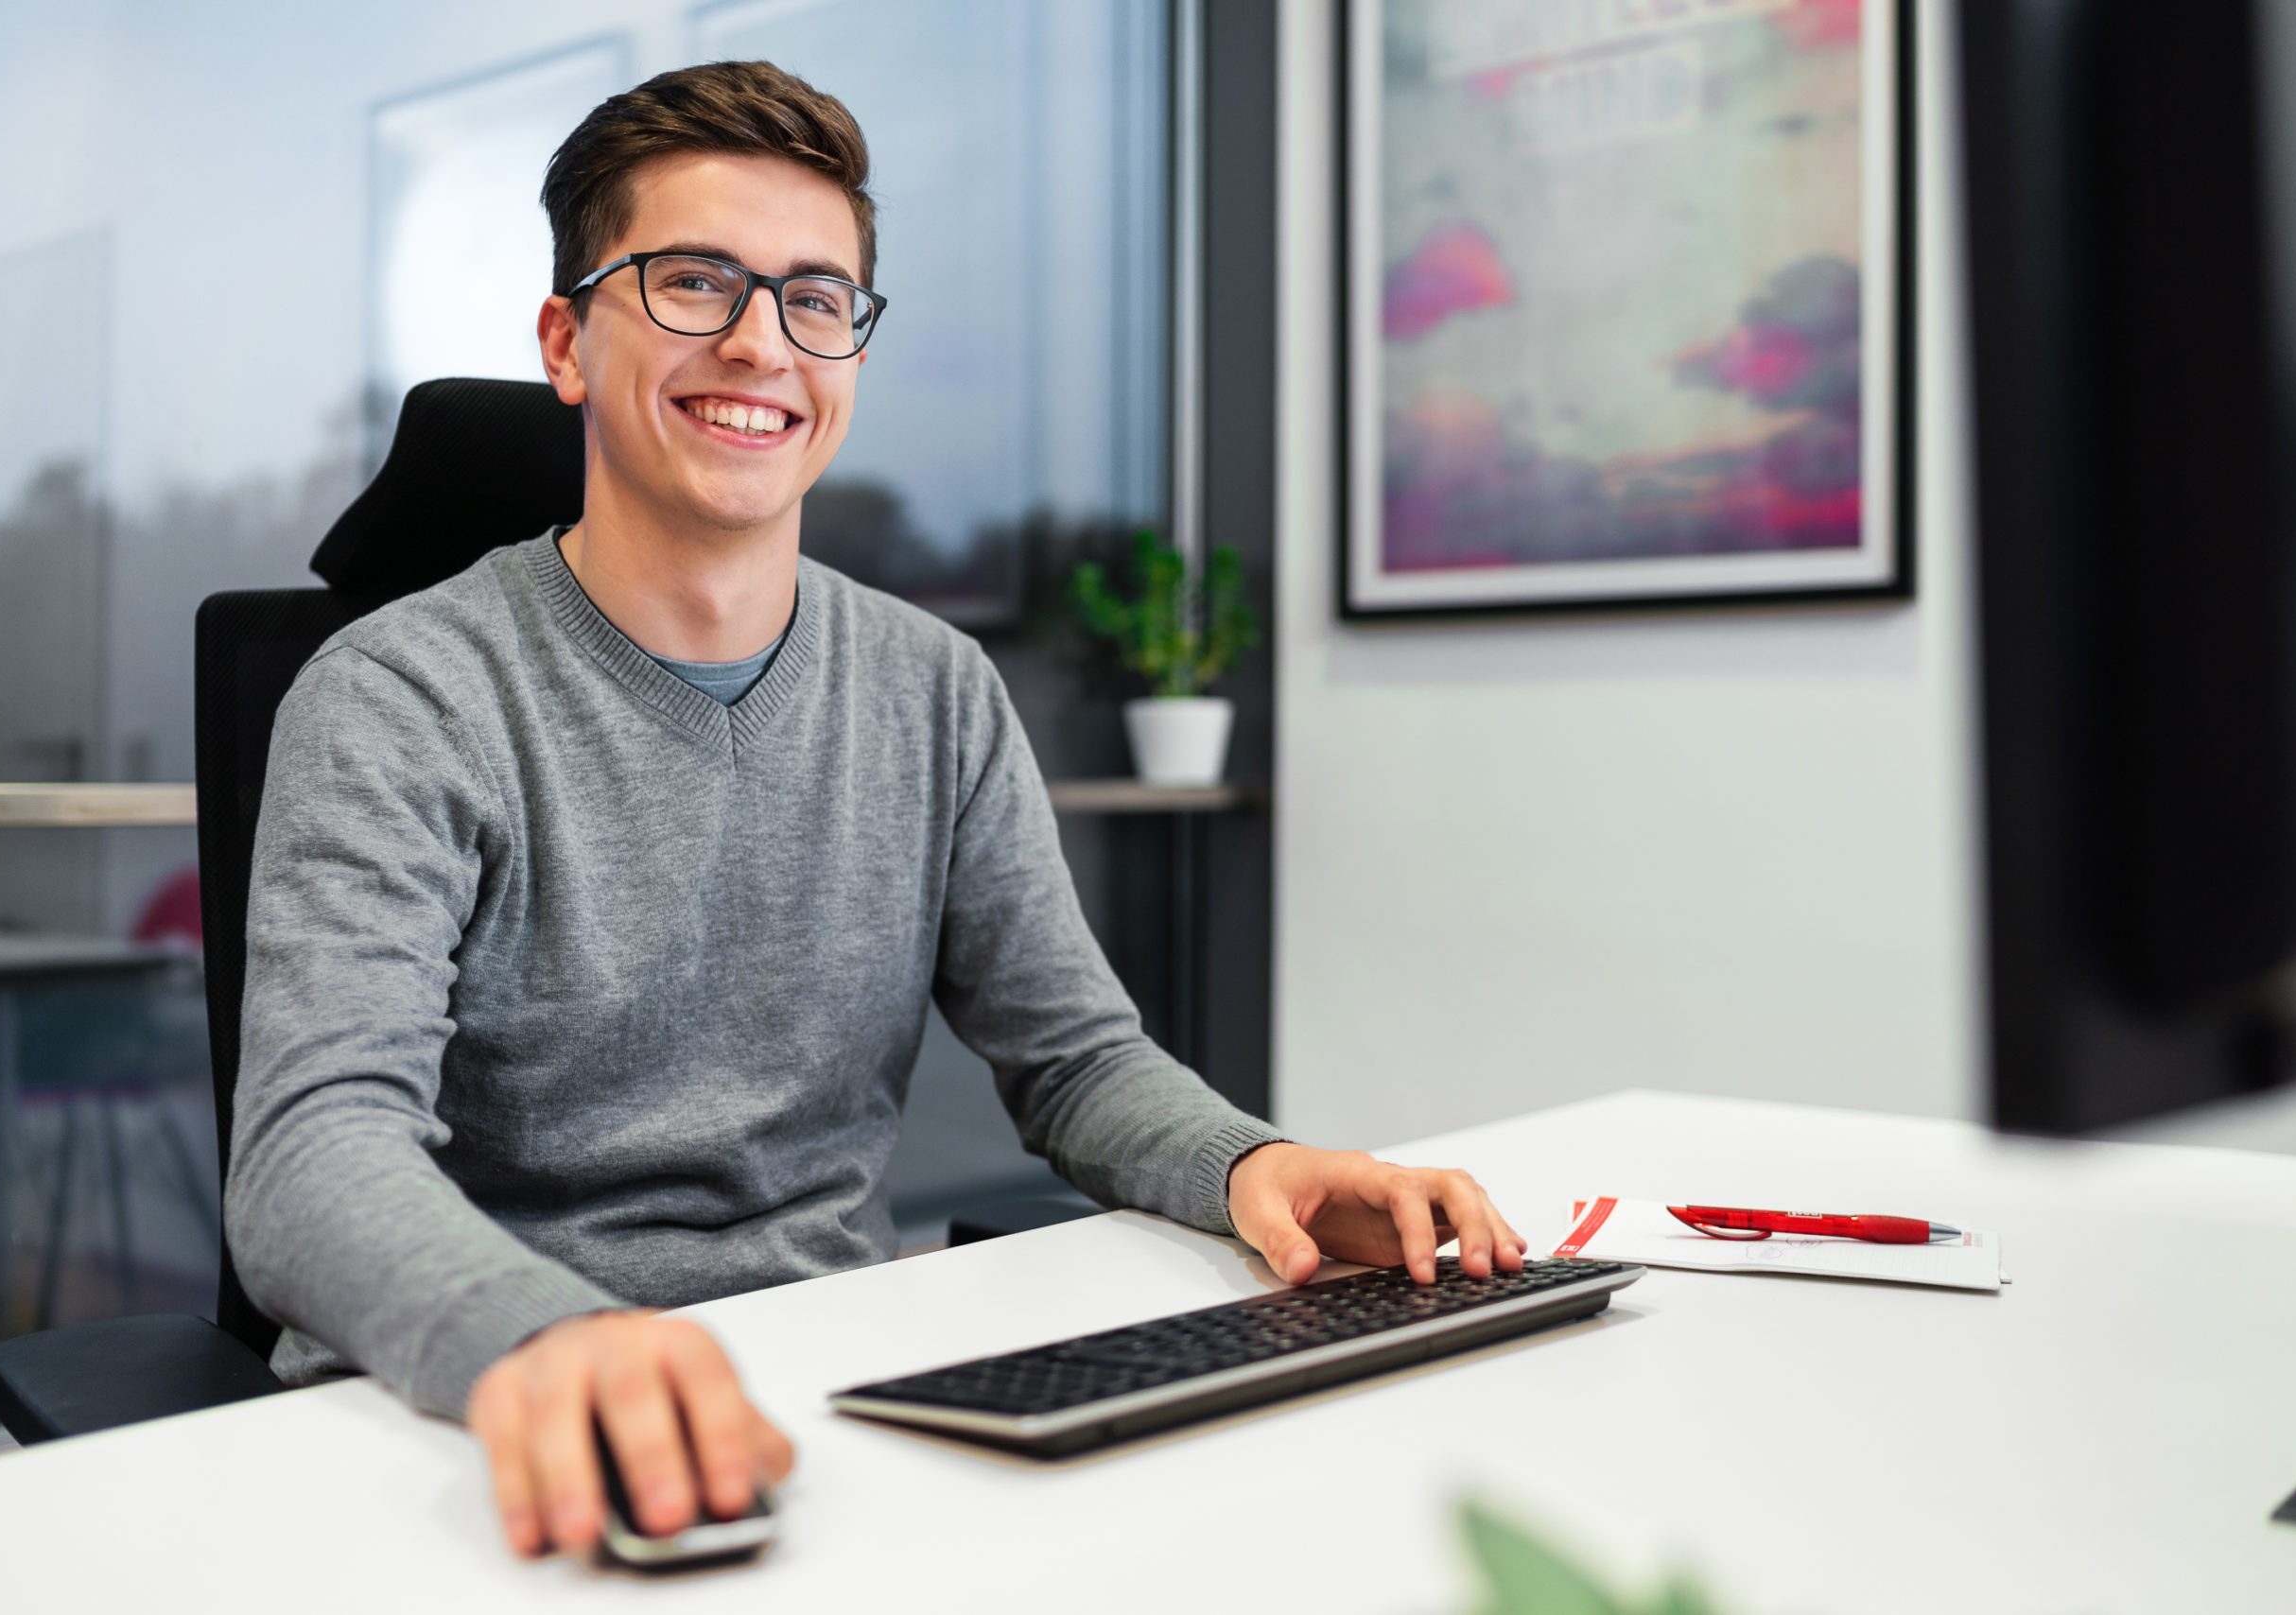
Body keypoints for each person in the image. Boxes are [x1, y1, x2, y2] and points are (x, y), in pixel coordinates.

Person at [227, 60, 1526, 1562]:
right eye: (694, 281)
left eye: (815, 298)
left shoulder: (932, 687)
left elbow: (1078, 1060)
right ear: (567, 342)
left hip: (823, 1394)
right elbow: (313, 1152)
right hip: (470, 1415)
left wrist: (1256, 1168)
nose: (761, 343)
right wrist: (537, 1339)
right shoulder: (401, 694)